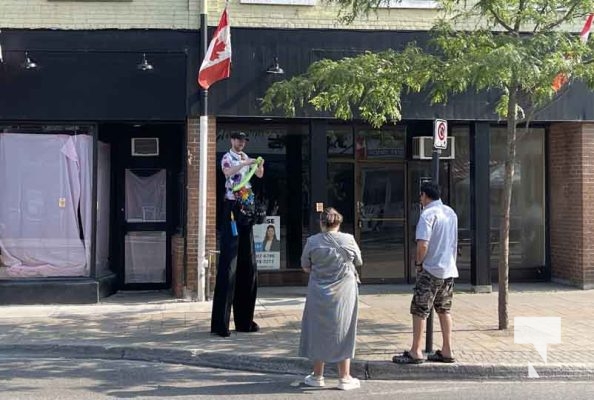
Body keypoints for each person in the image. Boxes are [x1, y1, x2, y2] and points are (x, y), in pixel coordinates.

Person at [393, 182, 458, 364]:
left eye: (420, 196)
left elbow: (423, 244)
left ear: (424, 196)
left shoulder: (427, 214)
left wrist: (419, 263)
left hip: (431, 268)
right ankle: (447, 349)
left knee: (419, 310)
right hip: (448, 268)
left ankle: (416, 351)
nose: (420, 199)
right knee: (444, 309)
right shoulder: (450, 212)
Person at [299, 207, 363, 391]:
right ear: (339, 223)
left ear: (322, 223)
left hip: (318, 290)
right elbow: (358, 260)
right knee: (344, 328)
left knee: (317, 329)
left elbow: (305, 265)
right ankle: (344, 377)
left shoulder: (312, 241)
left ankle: (317, 375)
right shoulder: (348, 239)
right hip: (344, 290)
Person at [211, 131, 264, 337]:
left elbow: (258, 175)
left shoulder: (246, 157)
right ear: (232, 141)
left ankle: (245, 320)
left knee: (248, 263)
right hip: (232, 207)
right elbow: (226, 173)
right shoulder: (228, 157)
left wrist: (258, 165)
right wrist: (244, 164)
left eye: (243, 140)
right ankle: (220, 323)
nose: (241, 143)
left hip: (246, 206)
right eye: (238, 140)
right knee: (229, 264)